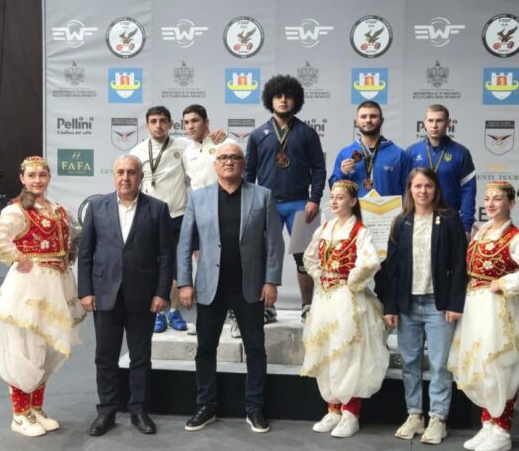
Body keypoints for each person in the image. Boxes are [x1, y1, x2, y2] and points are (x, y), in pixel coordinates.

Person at [177, 142, 284, 434]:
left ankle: (254, 408)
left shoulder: (262, 196)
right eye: (223, 157)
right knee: (205, 349)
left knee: (255, 350)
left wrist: (271, 281)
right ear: (215, 164)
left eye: (235, 157)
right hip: (210, 288)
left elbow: (275, 243)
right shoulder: (198, 198)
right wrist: (184, 282)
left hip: (250, 288)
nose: (229, 161)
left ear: (243, 164)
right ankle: (206, 406)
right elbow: (184, 244)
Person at [0, 156, 85, 437]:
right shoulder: (18, 210)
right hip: (29, 287)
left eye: (42, 175)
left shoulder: (58, 209)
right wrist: (19, 257)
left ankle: (35, 408)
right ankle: (19, 414)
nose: (37, 180)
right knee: (25, 347)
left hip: (57, 286)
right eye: (32, 175)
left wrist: (69, 255)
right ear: (22, 179)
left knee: (46, 347)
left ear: (48, 177)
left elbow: (72, 238)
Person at [78, 155, 175, 437]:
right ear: (113, 175)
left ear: (140, 176)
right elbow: (86, 252)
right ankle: (106, 412)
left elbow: (166, 256)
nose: (125, 177)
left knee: (140, 358)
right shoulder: (97, 207)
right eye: (120, 172)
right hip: (104, 294)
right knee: (105, 358)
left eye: (131, 172)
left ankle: (138, 410)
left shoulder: (158, 209)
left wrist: (161, 292)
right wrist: (85, 290)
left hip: (143, 296)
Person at [447, 181, 519, 451]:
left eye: (498, 199)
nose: (490, 204)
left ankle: (502, 430)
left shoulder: (514, 237)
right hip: (475, 306)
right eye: (488, 199)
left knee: (499, 364)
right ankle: (489, 424)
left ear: (511, 204)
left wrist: (504, 283)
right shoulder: (483, 231)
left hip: (497, 309)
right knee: (481, 363)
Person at [382, 167, 468, 444]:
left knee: (440, 365)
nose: (423, 191)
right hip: (407, 305)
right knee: (409, 362)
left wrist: (455, 302)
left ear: (436, 189)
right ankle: (415, 414)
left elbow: (460, 264)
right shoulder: (400, 222)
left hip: (439, 305)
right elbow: (392, 268)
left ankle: (438, 418)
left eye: (428, 186)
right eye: (417, 186)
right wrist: (390, 306)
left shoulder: (450, 219)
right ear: (409, 189)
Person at [300, 180, 389, 438]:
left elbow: (370, 261)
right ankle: (333, 408)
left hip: (347, 299)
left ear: (353, 201)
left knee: (348, 352)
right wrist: (320, 276)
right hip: (324, 299)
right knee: (326, 349)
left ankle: (351, 412)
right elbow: (309, 257)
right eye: (332, 197)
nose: (335, 201)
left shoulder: (360, 231)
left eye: (340, 197)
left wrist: (350, 282)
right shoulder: (325, 228)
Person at [130, 105, 224, 333]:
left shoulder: (183, 145)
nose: (158, 126)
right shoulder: (137, 151)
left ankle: (173, 311)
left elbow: (203, 146)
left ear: (171, 125)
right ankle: (158, 313)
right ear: (147, 125)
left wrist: (218, 135)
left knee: (176, 267)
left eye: (163, 121)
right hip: (150, 218)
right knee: (153, 267)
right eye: (154, 121)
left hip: (178, 215)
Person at [244, 74, 326, 323]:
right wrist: (249, 203)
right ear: (270, 100)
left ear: (295, 101)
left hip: (300, 204)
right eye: (278, 96)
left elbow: (319, 169)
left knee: (305, 259)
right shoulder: (258, 135)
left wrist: (314, 199)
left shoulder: (307, 133)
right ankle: (267, 307)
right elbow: (249, 172)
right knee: (265, 256)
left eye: (288, 96)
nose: (283, 100)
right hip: (266, 205)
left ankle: (308, 306)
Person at [406, 104, 476, 237]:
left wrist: (466, 226)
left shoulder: (461, 153)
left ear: (448, 123)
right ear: (424, 123)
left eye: (439, 120)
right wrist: (406, 218)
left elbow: (468, 191)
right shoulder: (412, 152)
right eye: (430, 120)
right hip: (418, 220)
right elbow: (405, 189)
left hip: (450, 220)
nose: (434, 125)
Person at [329, 100, 411, 198]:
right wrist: (342, 173)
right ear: (356, 121)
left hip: (389, 208)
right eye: (363, 117)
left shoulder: (398, 154)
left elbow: (408, 191)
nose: (368, 120)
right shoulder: (345, 154)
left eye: (373, 116)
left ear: (382, 120)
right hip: (356, 208)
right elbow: (334, 189)